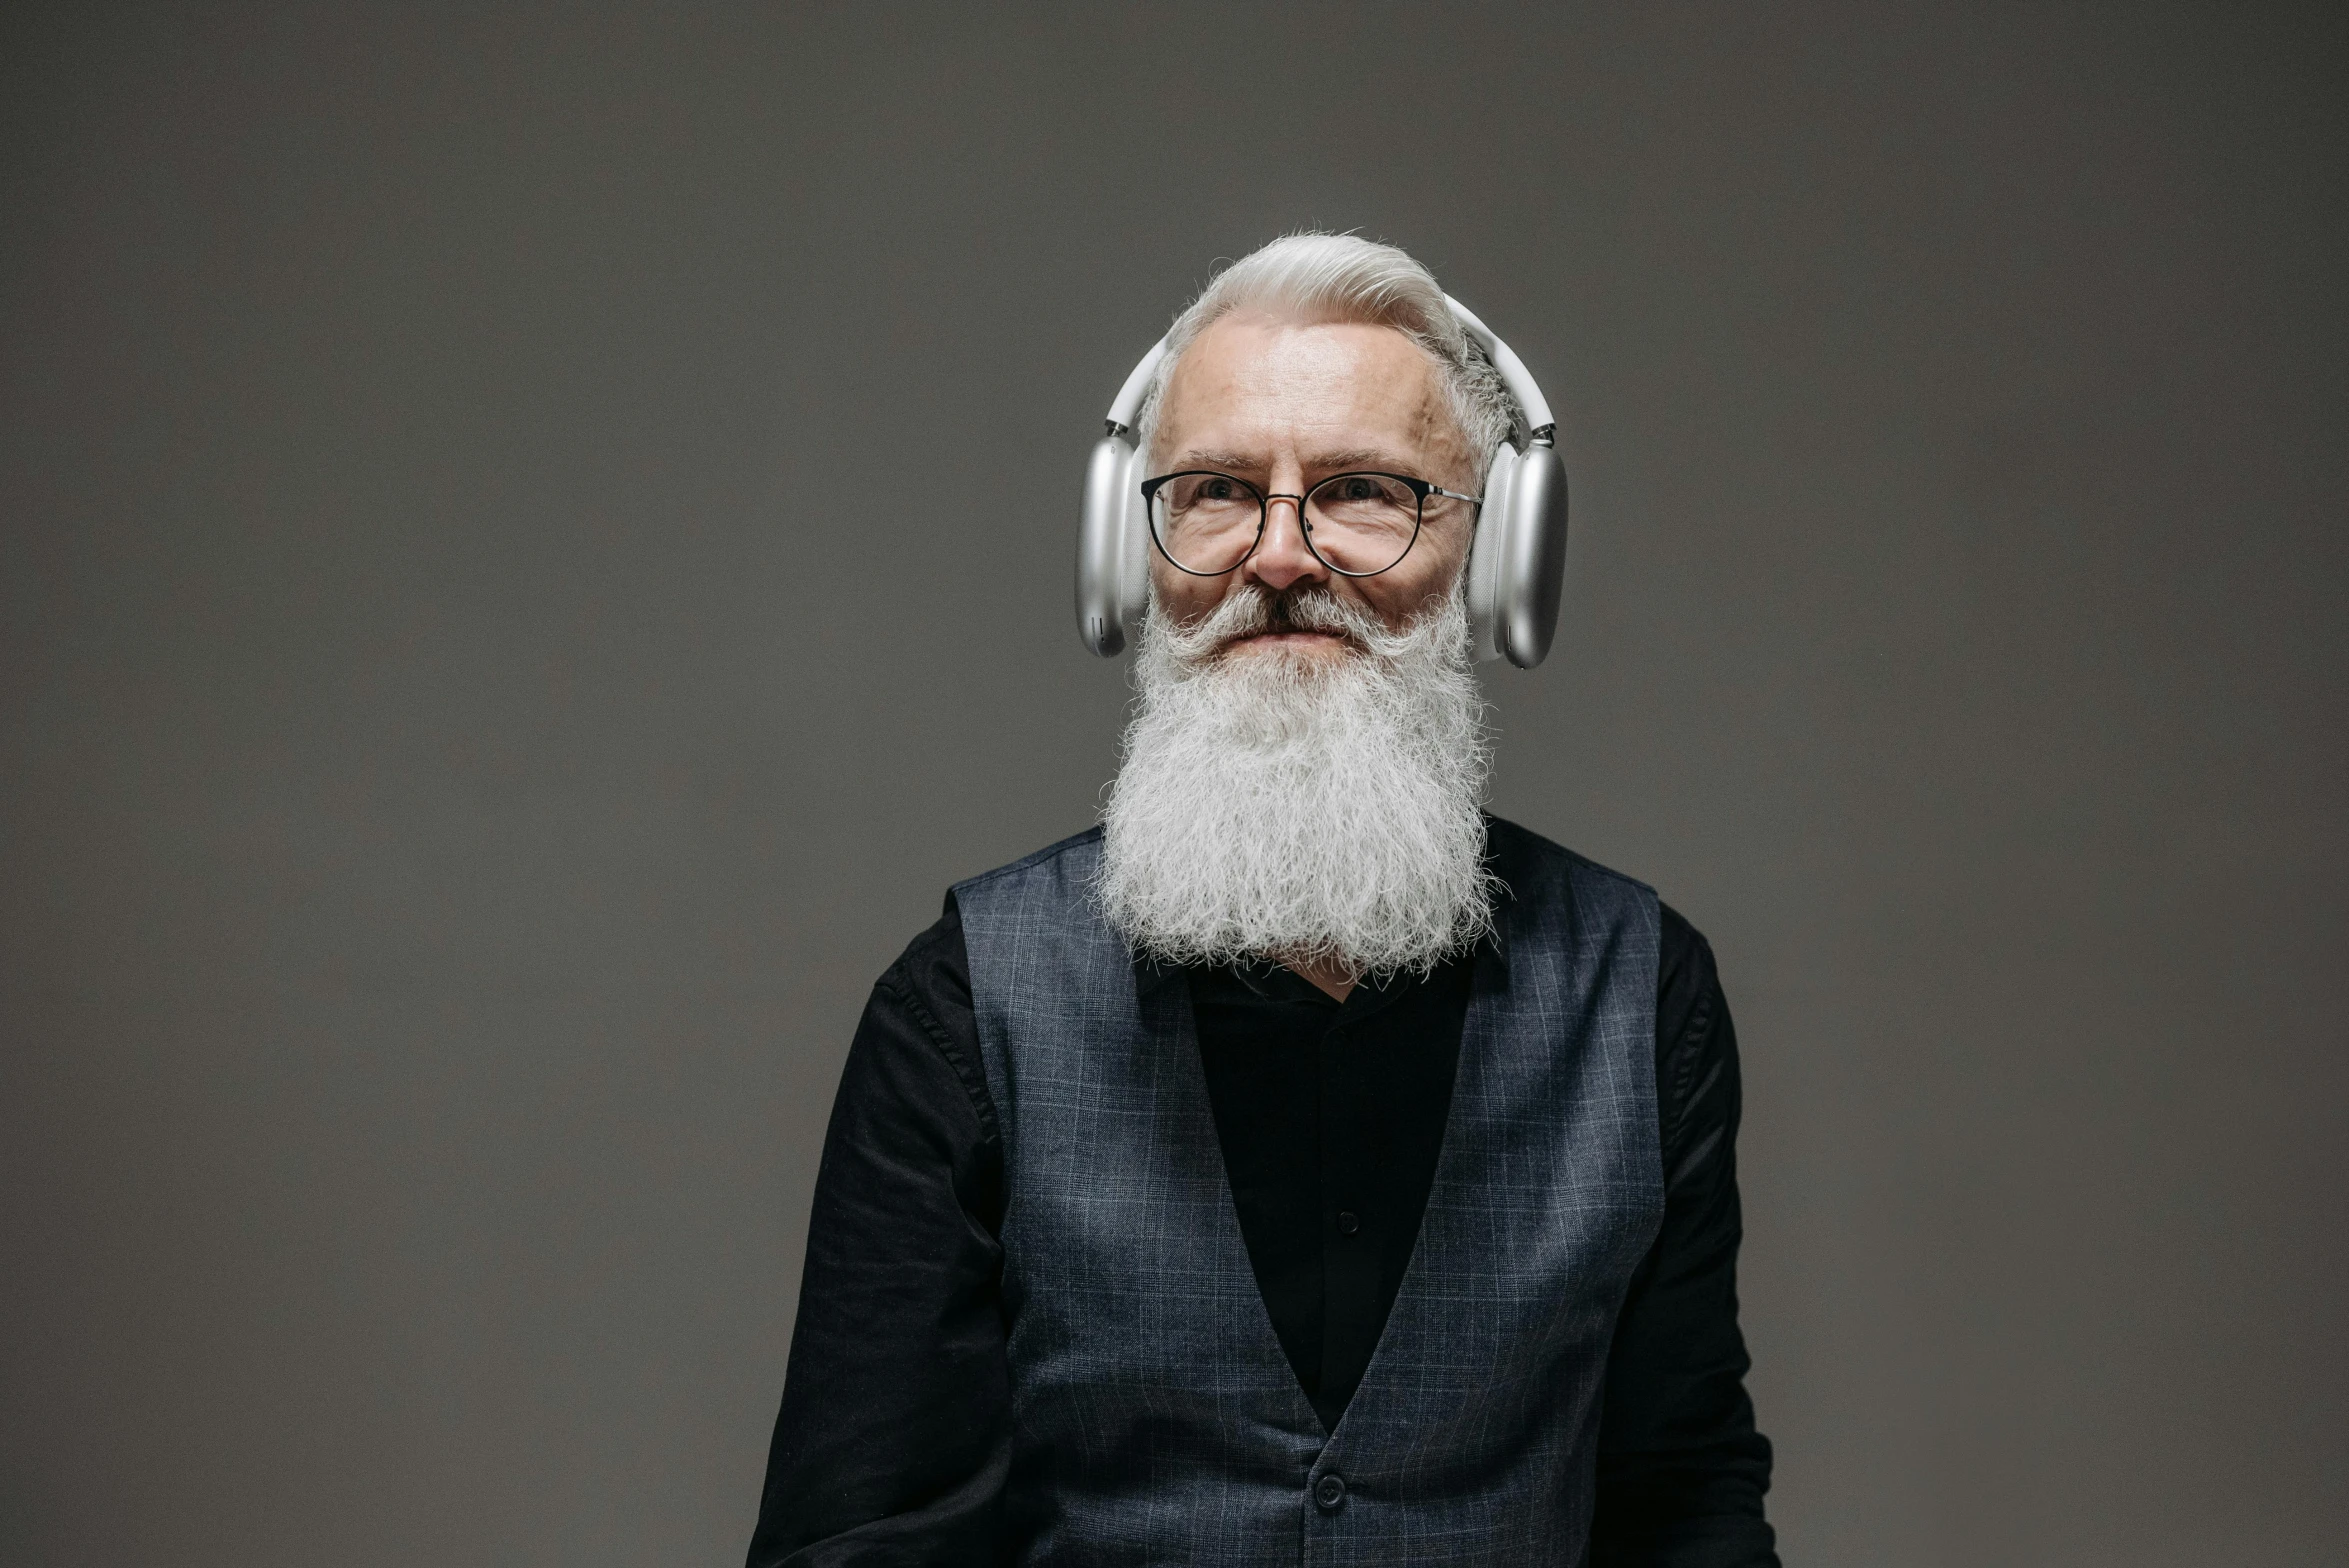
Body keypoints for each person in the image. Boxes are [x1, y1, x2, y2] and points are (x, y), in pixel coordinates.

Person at [747, 234, 1777, 1566]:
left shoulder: (1642, 995)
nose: (1279, 557)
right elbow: (862, 1541)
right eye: (1220, 492)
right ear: (1134, 554)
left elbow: (1683, 1508)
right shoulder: (962, 1007)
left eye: (1361, 492)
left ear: (1497, 553)